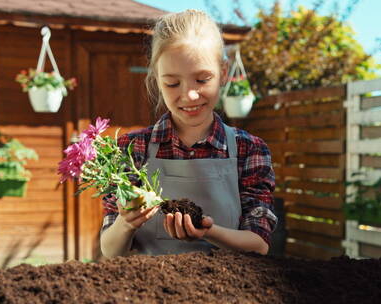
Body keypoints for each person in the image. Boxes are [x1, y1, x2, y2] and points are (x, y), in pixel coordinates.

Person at [100, 9, 277, 257]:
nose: (189, 95)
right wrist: (126, 223)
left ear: (223, 73)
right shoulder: (132, 149)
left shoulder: (250, 150)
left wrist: (208, 231)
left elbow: (259, 244)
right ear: (157, 80)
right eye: (172, 83)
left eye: (203, 79)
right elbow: (110, 250)